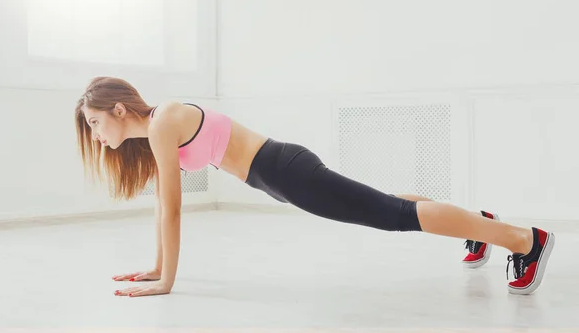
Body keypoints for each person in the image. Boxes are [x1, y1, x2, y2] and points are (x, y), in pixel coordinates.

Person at [75, 76, 555, 298]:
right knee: (389, 206)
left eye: (96, 122)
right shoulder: (160, 126)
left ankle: (524, 239)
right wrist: (157, 268)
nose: (97, 135)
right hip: (282, 175)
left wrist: (166, 281)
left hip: (287, 171)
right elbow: (165, 205)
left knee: (394, 215)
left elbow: (172, 211)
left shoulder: (162, 122)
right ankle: (479, 227)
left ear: (119, 109)